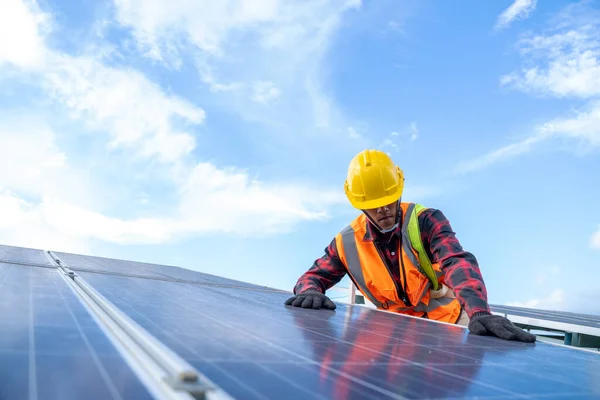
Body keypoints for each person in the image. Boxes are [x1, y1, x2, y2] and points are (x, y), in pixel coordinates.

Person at [285, 149, 536, 343]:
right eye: (373, 203)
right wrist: (310, 291)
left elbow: (456, 261)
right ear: (359, 204)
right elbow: (312, 277)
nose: (382, 209)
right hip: (390, 330)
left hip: (449, 322)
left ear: (399, 191)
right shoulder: (346, 243)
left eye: (388, 200)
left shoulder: (426, 220)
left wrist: (479, 311)